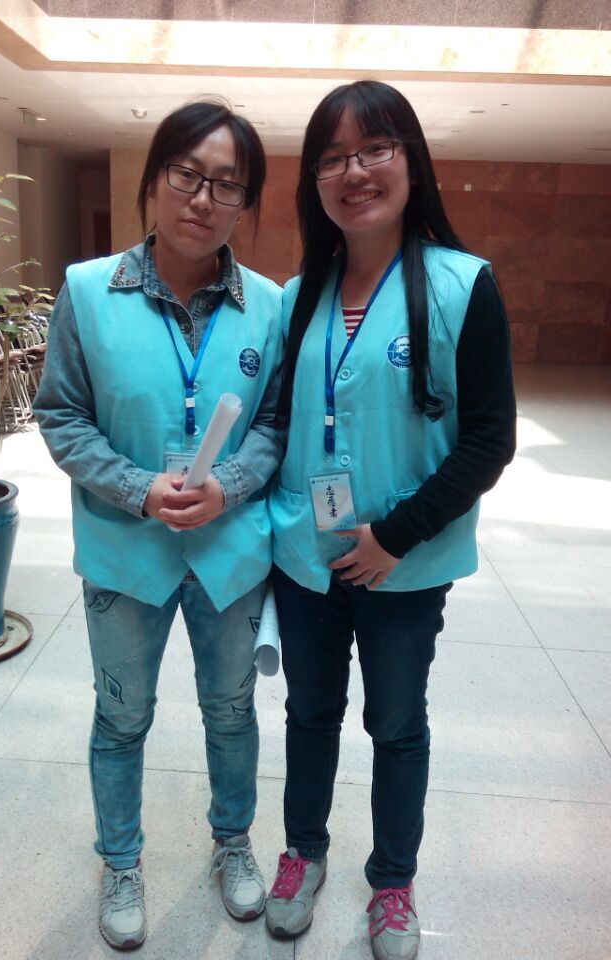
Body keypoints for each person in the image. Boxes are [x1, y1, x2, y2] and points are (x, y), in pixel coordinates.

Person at [264, 80, 516, 960]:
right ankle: (303, 853)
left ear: (412, 162)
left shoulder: (462, 285)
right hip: (306, 555)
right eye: (332, 158)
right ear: (314, 181)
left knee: (397, 724)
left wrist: (394, 537)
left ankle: (394, 882)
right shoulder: (301, 292)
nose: (354, 172)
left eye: (374, 150)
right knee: (309, 714)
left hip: (405, 566)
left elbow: (489, 439)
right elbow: (282, 422)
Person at [33, 100, 284, 951]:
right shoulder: (87, 291)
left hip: (229, 554)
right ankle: (121, 861)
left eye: (227, 185)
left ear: (245, 203)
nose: (203, 199)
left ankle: (232, 843)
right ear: (154, 180)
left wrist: (231, 485)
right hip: (124, 551)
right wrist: (139, 488)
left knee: (231, 711)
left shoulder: (270, 306)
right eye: (187, 174)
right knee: (121, 719)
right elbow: (62, 416)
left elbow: (275, 424)